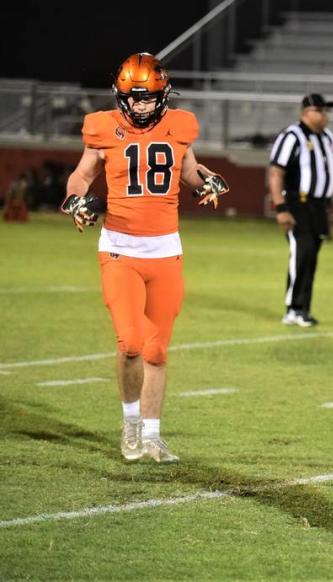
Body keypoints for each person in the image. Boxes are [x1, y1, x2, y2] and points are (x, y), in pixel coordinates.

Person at [61, 53, 229, 463]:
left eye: (147, 98)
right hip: (120, 248)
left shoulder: (180, 125)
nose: (139, 105)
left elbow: (187, 170)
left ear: (163, 95)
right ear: (120, 96)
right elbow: (82, 175)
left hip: (166, 251)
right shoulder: (103, 128)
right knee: (130, 342)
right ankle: (131, 423)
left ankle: (153, 435)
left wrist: (206, 182)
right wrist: (74, 199)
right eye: (133, 98)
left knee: (157, 350)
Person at [268, 93, 333, 327]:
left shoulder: (330, 138)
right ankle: (293, 309)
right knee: (302, 251)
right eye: (319, 110)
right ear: (305, 112)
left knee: (312, 256)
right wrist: (280, 207)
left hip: (320, 205)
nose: (324, 115)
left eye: (326, 111)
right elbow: (276, 172)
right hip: (296, 203)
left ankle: (303, 308)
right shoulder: (292, 136)